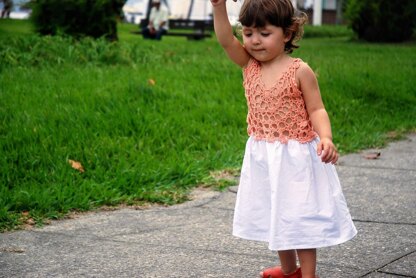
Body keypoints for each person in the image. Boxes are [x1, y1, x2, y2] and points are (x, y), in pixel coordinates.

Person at [209, 0, 357, 277]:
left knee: (299, 218)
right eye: (249, 33)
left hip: (297, 157)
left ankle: (308, 275)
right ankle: (290, 271)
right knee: (276, 212)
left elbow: (317, 108)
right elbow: (226, 40)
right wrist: (218, 7)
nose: (254, 41)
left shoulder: (299, 70)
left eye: (264, 34)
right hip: (265, 155)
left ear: (287, 34)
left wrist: (325, 137)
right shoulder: (249, 65)